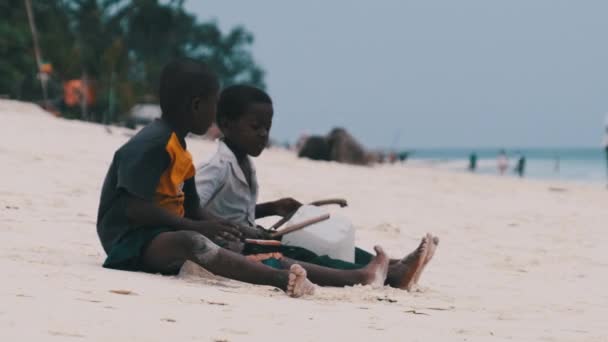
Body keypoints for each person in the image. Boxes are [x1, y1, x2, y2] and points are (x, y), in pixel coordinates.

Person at [96, 59, 318, 297]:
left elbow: (193, 207)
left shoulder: (180, 149)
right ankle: (280, 279)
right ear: (197, 105)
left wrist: (225, 227)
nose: (215, 113)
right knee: (192, 241)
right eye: (214, 104)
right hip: (128, 242)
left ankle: (339, 275)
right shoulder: (152, 145)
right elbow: (136, 209)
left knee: (230, 240)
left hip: (159, 234)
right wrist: (197, 227)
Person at [195, 85, 438, 290]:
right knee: (295, 257)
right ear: (226, 124)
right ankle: (370, 276)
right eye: (255, 127)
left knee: (312, 246)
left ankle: (395, 266)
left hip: (254, 238)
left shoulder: (245, 161)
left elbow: (237, 212)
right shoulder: (216, 166)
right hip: (233, 248)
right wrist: (233, 230)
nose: (263, 134)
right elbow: (189, 208)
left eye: (267, 128)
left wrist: (273, 207)